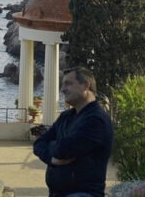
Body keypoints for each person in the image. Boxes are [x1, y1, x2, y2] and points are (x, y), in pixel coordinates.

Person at [33, 66, 114, 197]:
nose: (63, 89)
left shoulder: (96, 119)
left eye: (68, 84)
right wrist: (51, 159)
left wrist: (52, 146)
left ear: (86, 86)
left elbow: (64, 149)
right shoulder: (66, 116)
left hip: (83, 193)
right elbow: (39, 143)